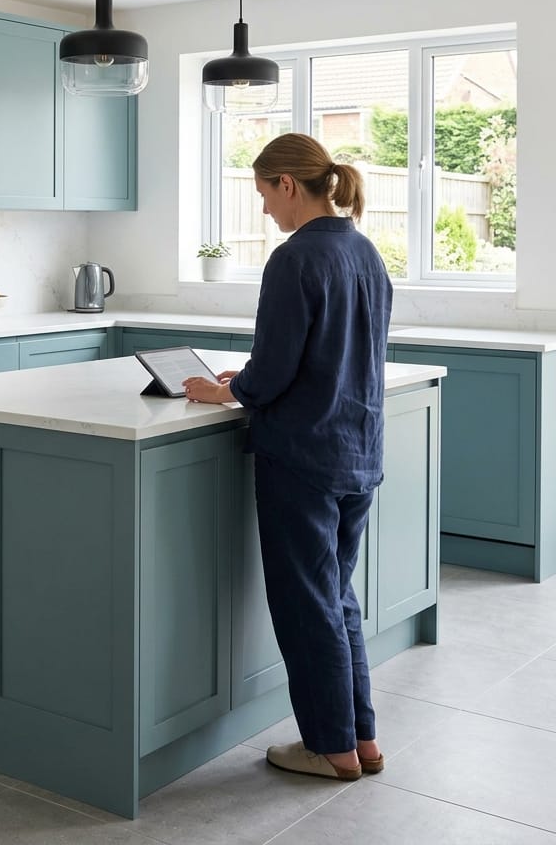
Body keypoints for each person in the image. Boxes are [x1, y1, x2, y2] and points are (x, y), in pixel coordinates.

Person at [182, 132, 393, 782]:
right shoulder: (364, 251)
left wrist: (224, 391)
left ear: (287, 184)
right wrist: (246, 379)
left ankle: (328, 748)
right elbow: (324, 355)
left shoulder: (294, 257)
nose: (265, 209)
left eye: (264, 195)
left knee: (308, 606)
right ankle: (360, 740)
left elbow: (273, 371)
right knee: (336, 597)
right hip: (358, 450)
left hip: (303, 456)